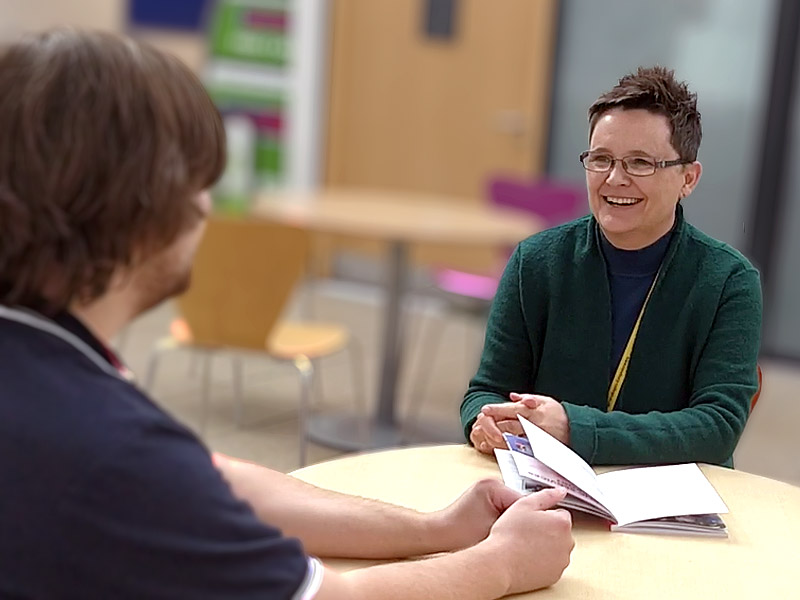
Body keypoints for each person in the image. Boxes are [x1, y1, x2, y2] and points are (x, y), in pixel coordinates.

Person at [0, 29, 574, 599]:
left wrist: (435, 529)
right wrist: (502, 564)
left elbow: (211, 481)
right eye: (195, 184)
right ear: (133, 207)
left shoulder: (47, 367)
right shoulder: (111, 450)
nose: (205, 206)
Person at [463, 66, 762, 467]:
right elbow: (486, 391)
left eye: (640, 163)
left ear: (688, 178)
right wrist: (483, 422)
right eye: (601, 159)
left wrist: (576, 429)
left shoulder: (729, 281)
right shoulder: (535, 261)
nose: (614, 179)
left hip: (671, 500)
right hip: (548, 490)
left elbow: (717, 427)